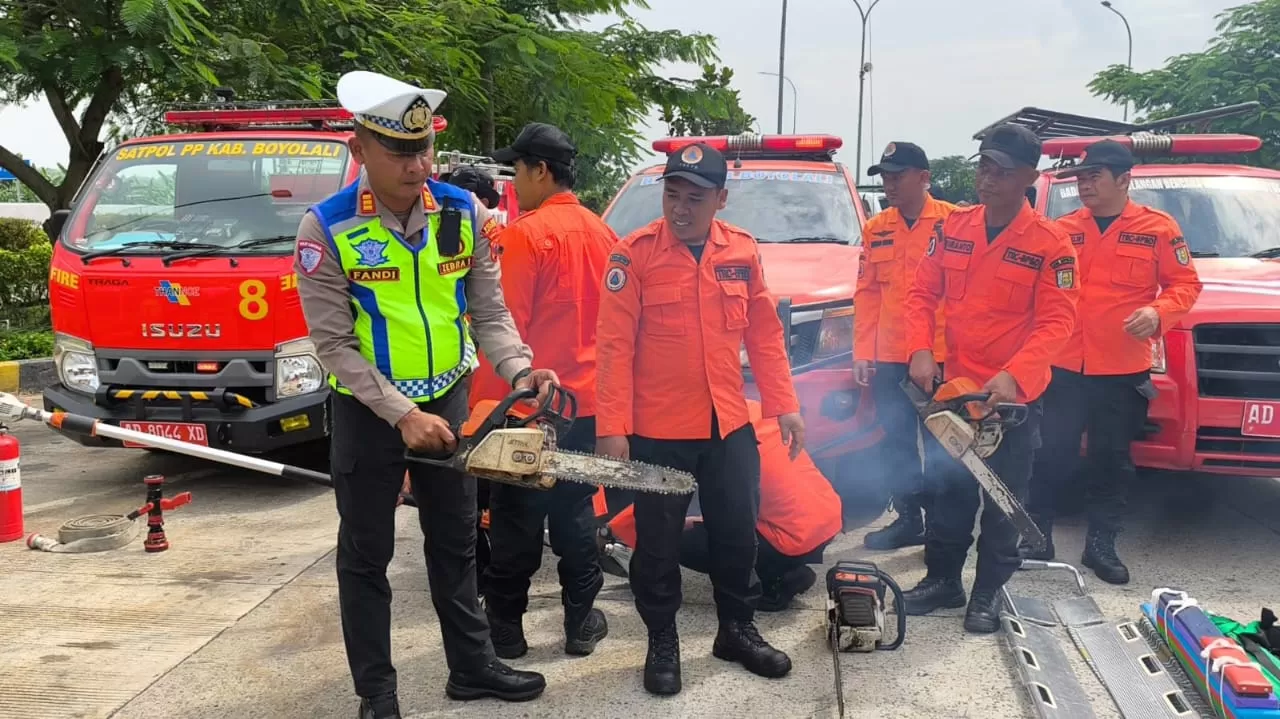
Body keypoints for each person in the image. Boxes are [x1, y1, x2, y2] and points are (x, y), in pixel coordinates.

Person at [294, 70, 557, 719]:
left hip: (447, 400)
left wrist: (521, 368)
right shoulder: (324, 229)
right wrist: (400, 413)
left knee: (457, 539)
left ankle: (470, 668)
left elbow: (487, 311)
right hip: (366, 413)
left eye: (425, 149)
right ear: (360, 149)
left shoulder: (462, 212)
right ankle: (377, 694)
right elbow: (333, 346)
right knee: (365, 556)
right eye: (400, 151)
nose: (418, 165)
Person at [595, 141, 807, 695]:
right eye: (672, 195)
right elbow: (613, 346)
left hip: (728, 424)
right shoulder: (633, 254)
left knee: (738, 534)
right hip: (658, 430)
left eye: (694, 197)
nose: (680, 208)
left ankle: (736, 630)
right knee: (658, 544)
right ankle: (661, 639)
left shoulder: (741, 250)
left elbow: (764, 335)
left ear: (721, 199)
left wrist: (785, 405)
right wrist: (612, 427)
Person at [899, 124, 1079, 634]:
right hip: (954, 395)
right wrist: (919, 349)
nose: (988, 179)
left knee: (1002, 500)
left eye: (1001, 170)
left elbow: (1057, 322)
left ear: (1029, 176)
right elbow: (920, 294)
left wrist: (1015, 375)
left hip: (1010, 402)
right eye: (984, 167)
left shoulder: (1051, 244)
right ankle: (943, 580)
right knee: (947, 493)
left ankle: (987, 593)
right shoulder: (954, 227)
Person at [1021, 139, 1203, 583]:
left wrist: (1158, 312)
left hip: (1122, 370)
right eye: (1081, 177)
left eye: (1094, 177)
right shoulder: (1063, 229)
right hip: (1063, 366)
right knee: (1049, 455)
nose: (1084, 185)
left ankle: (1101, 544)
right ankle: (1036, 535)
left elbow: (1186, 284)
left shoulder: (1157, 229)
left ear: (1124, 180)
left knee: (1111, 460)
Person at [471, 122, 617, 659]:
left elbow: (502, 328)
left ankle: (506, 630)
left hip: (530, 406)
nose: (514, 183)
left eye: (517, 171)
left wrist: (483, 415)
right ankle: (581, 625)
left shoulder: (523, 236)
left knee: (515, 520)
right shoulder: (605, 234)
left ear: (540, 171)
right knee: (578, 514)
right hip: (589, 405)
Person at [606, 398, 842, 611]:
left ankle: (771, 584)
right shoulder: (751, 409)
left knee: (670, 535)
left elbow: (664, 495)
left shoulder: (705, 431)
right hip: (827, 520)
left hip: (788, 538)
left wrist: (621, 530)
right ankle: (788, 569)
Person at [853, 141, 958, 550]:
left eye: (898, 176)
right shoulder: (876, 227)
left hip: (938, 355)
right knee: (894, 443)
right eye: (885, 177)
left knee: (941, 445)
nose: (890, 184)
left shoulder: (955, 222)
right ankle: (908, 518)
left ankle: (941, 529)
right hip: (890, 356)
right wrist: (863, 351)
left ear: (924, 178)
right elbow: (866, 293)